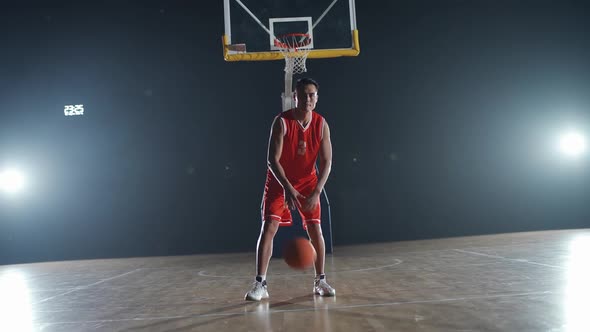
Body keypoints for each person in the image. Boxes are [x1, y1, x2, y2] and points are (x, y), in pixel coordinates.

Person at [245, 77, 336, 301]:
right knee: (269, 227)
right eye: (303, 94)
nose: (308, 98)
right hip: (279, 180)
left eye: (312, 94)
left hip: (308, 182)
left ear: (317, 97)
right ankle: (260, 284)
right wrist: (287, 188)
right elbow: (271, 160)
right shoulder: (282, 122)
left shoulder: (321, 124)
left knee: (316, 230)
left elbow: (327, 162)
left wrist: (316, 192)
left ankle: (320, 280)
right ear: (294, 97)